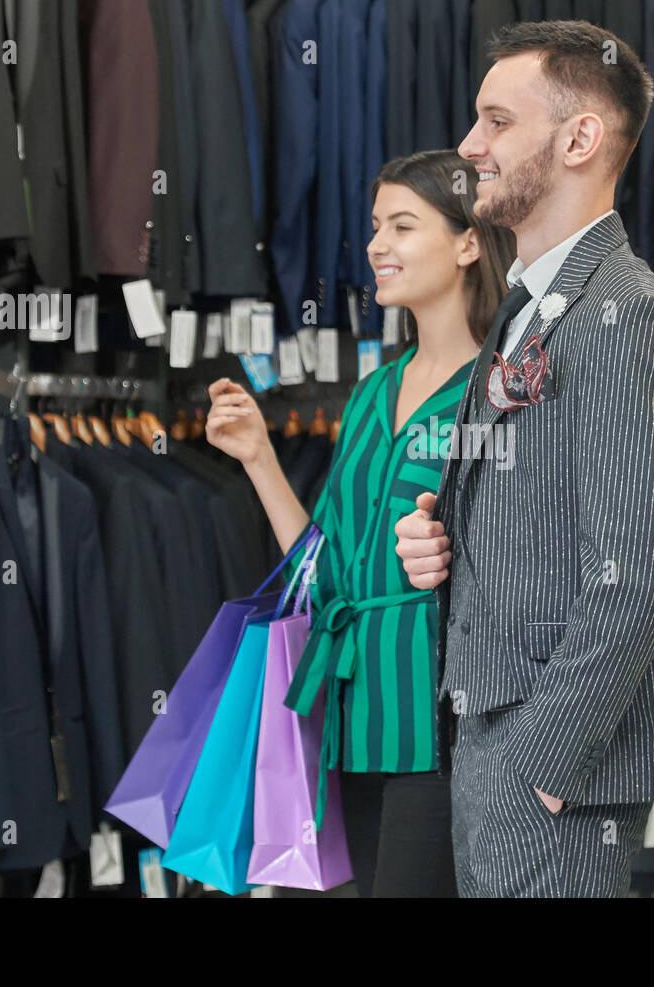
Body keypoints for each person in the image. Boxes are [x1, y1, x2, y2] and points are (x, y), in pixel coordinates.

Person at [395, 20, 654, 898]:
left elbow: (639, 568)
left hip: (552, 762)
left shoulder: (628, 313)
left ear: (579, 138)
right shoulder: (527, 307)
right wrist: (440, 543)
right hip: (492, 731)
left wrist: (547, 760)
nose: (468, 146)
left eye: (496, 121)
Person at [206, 150, 515, 897]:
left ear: (469, 241)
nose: (377, 245)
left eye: (402, 226)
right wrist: (258, 460)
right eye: (376, 226)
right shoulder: (372, 392)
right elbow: (328, 572)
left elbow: (532, 571)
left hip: (445, 729)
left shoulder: (502, 393)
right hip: (352, 723)